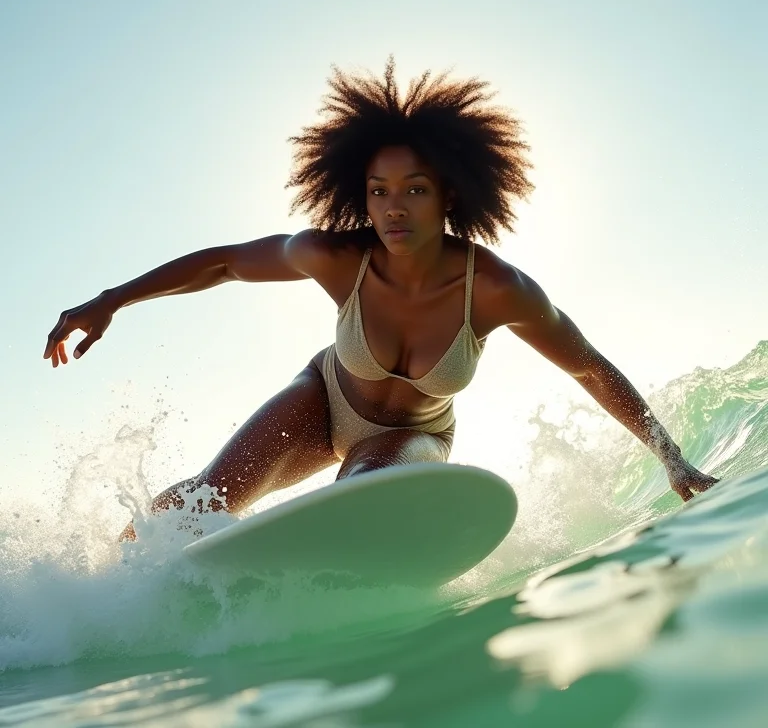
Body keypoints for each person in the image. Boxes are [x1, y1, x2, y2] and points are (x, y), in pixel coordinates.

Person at [43, 59, 718, 541]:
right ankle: (118, 580)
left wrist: (670, 455)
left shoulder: (495, 289)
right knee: (205, 503)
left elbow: (589, 367)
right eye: (378, 190)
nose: (394, 208)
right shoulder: (341, 259)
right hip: (324, 401)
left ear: (449, 193)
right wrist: (111, 300)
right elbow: (224, 264)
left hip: (415, 435)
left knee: (362, 491)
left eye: (415, 189)